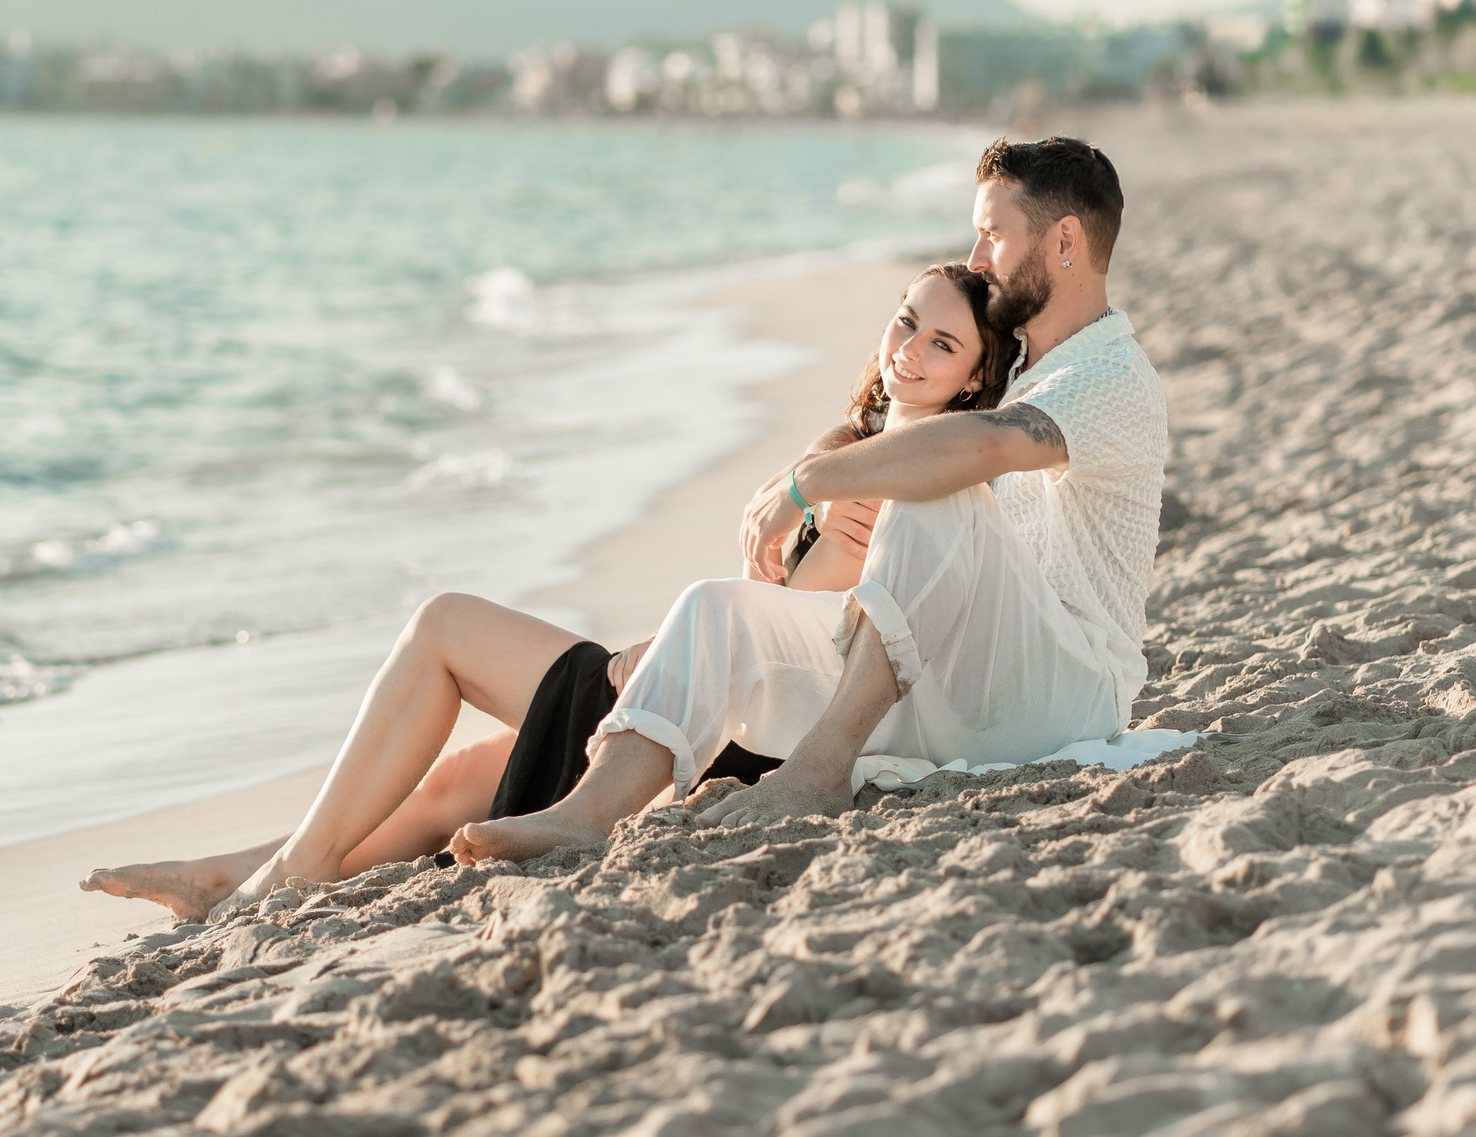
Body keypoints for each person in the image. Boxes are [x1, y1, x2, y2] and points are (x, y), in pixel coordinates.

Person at [79, 261, 1016, 921]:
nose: (910, 350)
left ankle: (283, 867)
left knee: (444, 628)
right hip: (707, 700)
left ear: (976, 374)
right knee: (455, 780)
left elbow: (792, 639)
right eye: (905, 320)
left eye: (943, 343)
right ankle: (252, 868)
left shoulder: (883, 482)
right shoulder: (855, 454)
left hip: (735, 746)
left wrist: (667, 645)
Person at [450, 135, 1165, 865]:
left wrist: (809, 483)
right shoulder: (1013, 361)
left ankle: (818, 770)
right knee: (714, 607)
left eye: (993, 234)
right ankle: (586, 811)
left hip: (1062, 692)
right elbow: (886, 424)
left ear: (1065, 241)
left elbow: (982, 448)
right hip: (955, 683)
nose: (978, 257)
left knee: (936, 489)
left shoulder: (1109, 375)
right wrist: (822, 462)